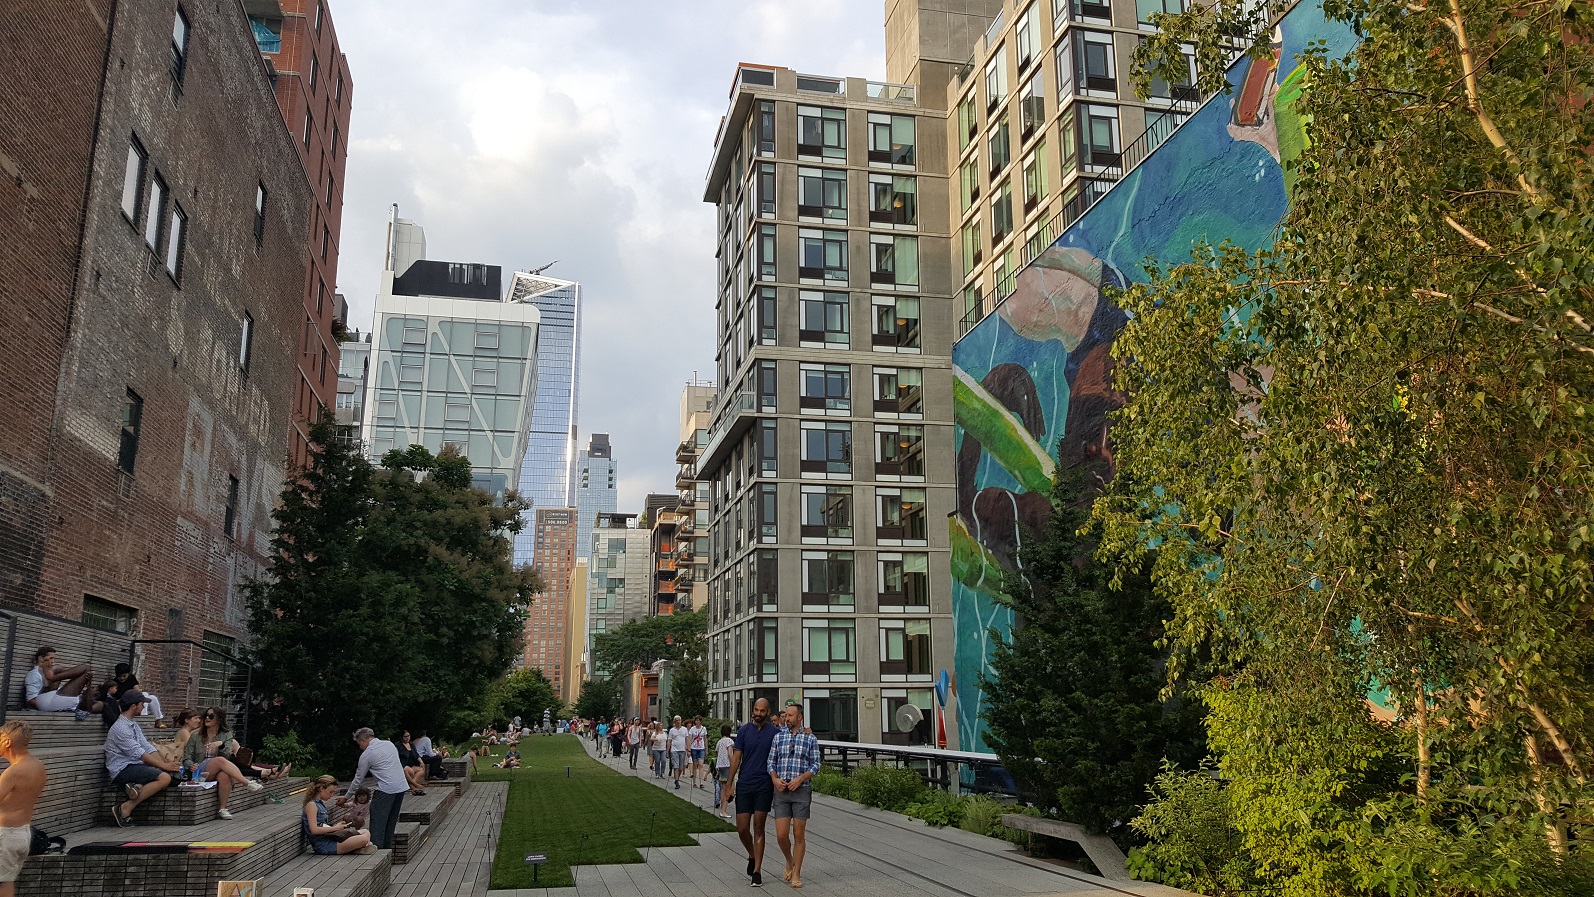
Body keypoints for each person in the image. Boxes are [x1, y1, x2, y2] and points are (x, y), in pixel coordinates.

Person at [105, 690, 180, 827]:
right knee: (165, 778)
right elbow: (139, 753)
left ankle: (137, 786)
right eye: (142, 704)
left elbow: (147, 747)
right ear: (134, 706)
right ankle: (125, 808)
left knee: (167, 774)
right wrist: (164, 767)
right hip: (122, 770)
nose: (144, 707)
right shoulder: (120, 728)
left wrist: (163, 764)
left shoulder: (132, 724)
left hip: (135, 766)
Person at [726, 698, 778, 887]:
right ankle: (751, 854)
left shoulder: (775, 733)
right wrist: (729, 784)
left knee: (758, 827)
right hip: (745, 784)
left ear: (767, 712)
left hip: (764, 785)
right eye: (756, 710)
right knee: (741, 829)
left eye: (762, 711)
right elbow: (736, 757)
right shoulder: (744, 731)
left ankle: (757, 871)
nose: (758, 713)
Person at [768, 702, 820, 888]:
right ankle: (789, 860)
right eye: (785, 716)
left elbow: (816, 765)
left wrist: (801, 779)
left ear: (799, 718)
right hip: (781, 791)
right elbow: (771, 762)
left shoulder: (810, 738)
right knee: (781, 835)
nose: (786, 718)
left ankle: (797, 873)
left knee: (799, 834)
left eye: (790, 716)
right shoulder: (778, 737)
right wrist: (774, 779)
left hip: (801, 790)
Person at [182, 709, 263, 819]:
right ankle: (247, 783)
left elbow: (226, 756)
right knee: (219, 760)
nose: (207, 718)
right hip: (198, 774)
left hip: (213, 773)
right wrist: (191, 765)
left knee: (224, 775)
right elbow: (187, 756)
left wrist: (221, 745)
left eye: (211, 716)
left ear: (219, 719)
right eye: (206, 715)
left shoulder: (226, 735)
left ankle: (223, 809)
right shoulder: (196, 735)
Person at [340, 727, 408, 850]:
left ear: (363, 741)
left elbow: (358, 779)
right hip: (401, 786)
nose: (359, 747)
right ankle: (387, 851)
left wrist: (346, 797)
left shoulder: (368, 754)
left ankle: (377, 851)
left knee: (378, 822)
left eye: (358, 744)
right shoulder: (389, 744)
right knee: (390, 822)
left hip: (386, 789)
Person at [0, 721, 44, 897]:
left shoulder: (14, 772)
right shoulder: (38, 766)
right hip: (23, 832)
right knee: (6, 880)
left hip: (6, 835)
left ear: (7, 742)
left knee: (2, 883)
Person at [303, 775, 374, 855]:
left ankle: (358, 848)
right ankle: (359, 847)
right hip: (324, 844)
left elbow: (322, 825)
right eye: (331, 792)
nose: (332, 795)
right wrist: (335, 828)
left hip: (331, 838)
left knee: (366, 832)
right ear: (321, 789)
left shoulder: (320, 804)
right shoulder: (312, 805)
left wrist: (337, 826)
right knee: (363, 839)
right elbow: (314, 830)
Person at [24, 647, 94, 719]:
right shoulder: (34, 674)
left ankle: (53, 679)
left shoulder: (49, 672)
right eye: (50, 658)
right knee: (85, 668)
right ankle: (52, 679)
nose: (53, 661)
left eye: (54, 658)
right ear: (40, 658)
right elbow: (31, 700)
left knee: (59, 669)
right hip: (46, 702)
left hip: (55, 698)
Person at [668, 715, 690, 790]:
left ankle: (677, 777)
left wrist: (688, 750)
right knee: (676, 766)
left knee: (681, 767)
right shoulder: (672, 730)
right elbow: (669, 741)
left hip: (682, 750)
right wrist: (667, 751)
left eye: (679, 720)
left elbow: (687, 739)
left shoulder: (684, 729)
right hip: (674, 750)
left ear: (681, 721)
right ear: (674, 721)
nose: (678, 722)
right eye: (676, 720)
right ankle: (676, 781)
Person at [688, 716, 709, 789]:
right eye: (696, 720)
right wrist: (689, 749)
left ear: (700, 721)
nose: (697, 721)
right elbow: (690, 739)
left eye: (698, 720)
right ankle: (694, 782)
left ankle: (701, 782)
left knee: (701, 764)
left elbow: (705, 739)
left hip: (701, 748)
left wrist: (706, 749)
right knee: (695, 765)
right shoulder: (692, 729)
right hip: (694, 748)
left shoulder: (703, 729)